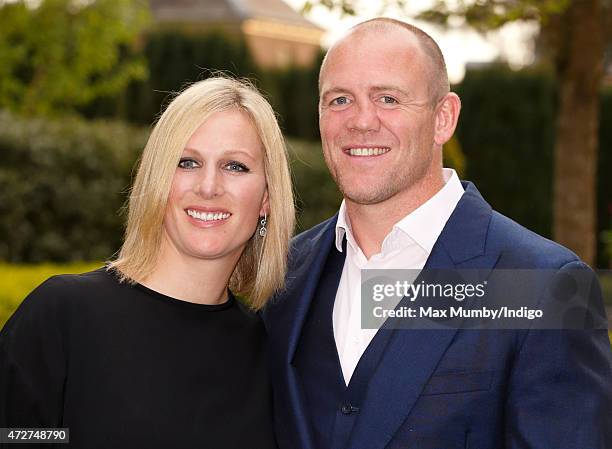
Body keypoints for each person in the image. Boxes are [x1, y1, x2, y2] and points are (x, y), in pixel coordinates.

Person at [262, 17, 612, 449]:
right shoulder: (284, 273)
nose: (361, 121)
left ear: (443, 117)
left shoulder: (541, 286)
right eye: (339, 100)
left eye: (388, 98)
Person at [0, 76, 294, 448]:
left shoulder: (270, 352)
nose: (208, 186)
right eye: (187, 162)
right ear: (157, 179)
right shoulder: (66, 316)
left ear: (266, 198)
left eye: (235, 166)